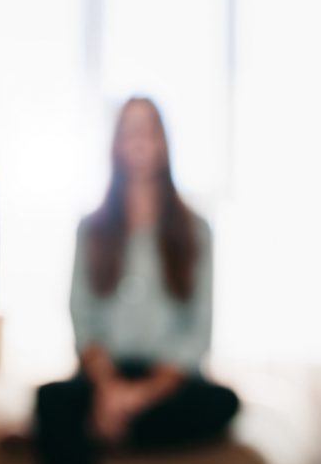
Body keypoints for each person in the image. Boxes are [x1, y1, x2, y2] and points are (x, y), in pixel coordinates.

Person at [35, 97, 239, 464]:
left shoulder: (196, 230)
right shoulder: (92, 227)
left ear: (163, 142)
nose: (139, 139)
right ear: (115, 144)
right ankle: (106, 425)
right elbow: (82, 316)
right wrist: (109, 389)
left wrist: (137, 397)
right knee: (49, 399)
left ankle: (96, 431)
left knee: (223, 404)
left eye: (148, 129)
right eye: (129, 130)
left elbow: (197, 330)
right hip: (105, 375)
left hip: (167, 382)